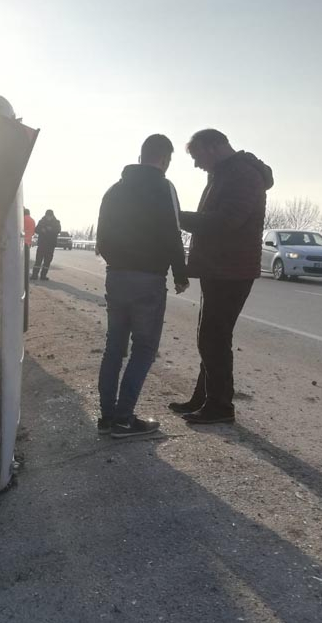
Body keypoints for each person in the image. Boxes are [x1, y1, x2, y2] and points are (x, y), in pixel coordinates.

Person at [170, 129, 273, 424]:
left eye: (197, 156)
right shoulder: (224, 173)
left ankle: (220, 406)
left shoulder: (242, 174)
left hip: (233, 269)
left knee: (213, 337)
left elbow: (228, 222)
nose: (196, 164)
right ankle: (204, 397)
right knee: (209, 336)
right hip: (219, 267)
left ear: (214, 147)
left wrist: (178, 217)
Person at [96, 134, 189, 437]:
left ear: (140, 156)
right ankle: (125, 420)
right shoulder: (164, 187)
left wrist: (117, 262)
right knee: (145, 348)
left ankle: (107, 417)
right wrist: (180, 273)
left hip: (116, 275)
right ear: (165, 159)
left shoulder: (114, 190)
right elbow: (173, 233)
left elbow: (101, 237)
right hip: (148, 278)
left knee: (113, 348)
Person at [31, 209, 60, 280]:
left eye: (50, 216)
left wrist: (51, 229)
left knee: (47, 261)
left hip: (51, 244)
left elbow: (58, 230)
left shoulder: (56, 222)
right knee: (38, 260)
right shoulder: (42, 221)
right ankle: (34, 275)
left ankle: (43, 276)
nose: (48, 217)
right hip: (42, 244)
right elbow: (36, 229)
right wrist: (42, 230)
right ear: (45, 215)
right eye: (47, 216)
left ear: (52, 216)